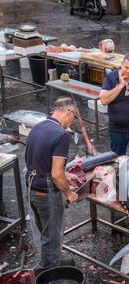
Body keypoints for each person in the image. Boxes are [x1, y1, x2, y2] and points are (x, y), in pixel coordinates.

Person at [25, 97, 81, 272]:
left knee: (45, 232)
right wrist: (69, 193)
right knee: (52, 235)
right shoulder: (61, 135)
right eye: (75, 117)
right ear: (69, 112)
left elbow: (41, 161)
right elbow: (56, 174)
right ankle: (46, 273)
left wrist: (66, 175)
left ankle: (53, 261)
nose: (73, 121)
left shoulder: (38, 127)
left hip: (31, 188)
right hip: (45, 191)